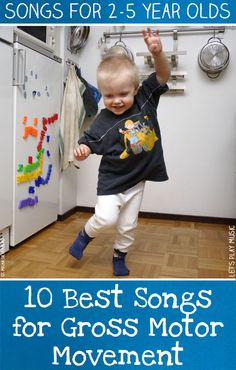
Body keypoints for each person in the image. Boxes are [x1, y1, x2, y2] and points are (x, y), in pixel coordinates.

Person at [69, 28, 170, 276]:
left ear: (135, 89)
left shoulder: (145, 98)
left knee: (127, 226)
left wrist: (157, 52)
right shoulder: (104, 120)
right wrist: (82, 150)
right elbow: (89, 141)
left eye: (123, 94)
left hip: (136, 182)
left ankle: (119, 256)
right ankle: (86, 234)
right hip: (112, 182)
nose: (116, 101)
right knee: (105, 219)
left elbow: (163, 75)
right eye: (108, 95)